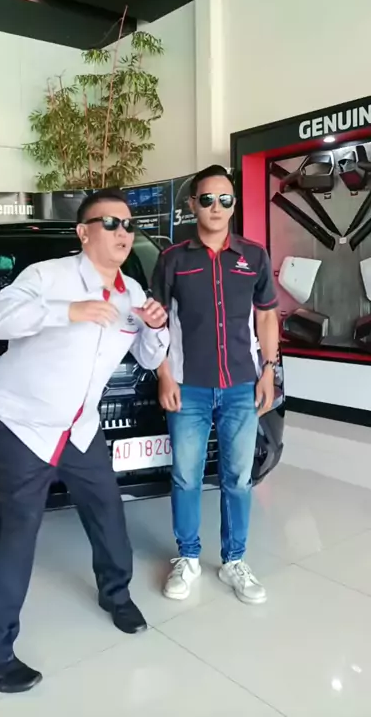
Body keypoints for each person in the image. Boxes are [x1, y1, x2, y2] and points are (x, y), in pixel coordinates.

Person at [0, 189, 169, 694]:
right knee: (16, 534)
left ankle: (116, 595)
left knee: (108, 511)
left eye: (129, 225)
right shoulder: (47, 277)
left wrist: (156, 328)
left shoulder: (131, 292)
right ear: (84, 232)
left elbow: (148, 358)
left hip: (79, 426)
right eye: (111, 223)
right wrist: (68, 311)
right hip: (24, 423)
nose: (123, 233)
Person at [152, 165, 279, 605]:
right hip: (188, 388)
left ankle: (234, 560)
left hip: (242, 385)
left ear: (233, 205)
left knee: (238, 478)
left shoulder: (254, 257)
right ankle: (187, 557)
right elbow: (155, 323)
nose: (216, 207)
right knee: (186, 477)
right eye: (207, 199)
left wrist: (268, 370)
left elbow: (266, 316)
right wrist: (163, 374)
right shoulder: (173, 260)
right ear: (193, 205)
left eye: (225, 199)